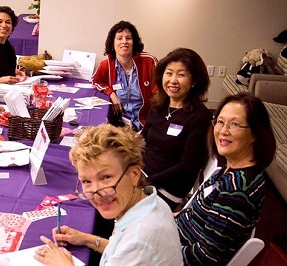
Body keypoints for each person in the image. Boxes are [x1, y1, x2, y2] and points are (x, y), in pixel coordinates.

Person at [34, 124, 182, 266]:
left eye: (106, 178)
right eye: (86, 181)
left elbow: (129, 249)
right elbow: (119, 251)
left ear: (134, 174)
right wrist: (86, 239)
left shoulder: (139, 239)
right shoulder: (151, 202)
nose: (97, 193)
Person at [176, 93, 276, 265]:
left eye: (235, 124)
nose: (223, 131)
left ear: (255, 134)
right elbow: (197, 215)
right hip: (174, 238)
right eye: (220, 121)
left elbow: (205, 258)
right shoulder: (233, 170)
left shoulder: (236, 191)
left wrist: (155, 247)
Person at [142, 48, 212, 210]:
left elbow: (187, 166)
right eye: (169, 73)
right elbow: (143, 140)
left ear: (194, 80)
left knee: (110, 201)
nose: (173, 80)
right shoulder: (159, 105)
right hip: (141, 173)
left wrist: (147, 180)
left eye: (181, 74)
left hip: (166, 188)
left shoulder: (200, 117)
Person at [92, 21, 157, 131]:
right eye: (119, 38)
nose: (124, 42)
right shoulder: (106, 64)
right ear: (112, 43)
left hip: (145, 122)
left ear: (134, 42)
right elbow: (95, 81)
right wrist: (111, 93)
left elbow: (159, 96)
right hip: (119, 122)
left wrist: (148, 128)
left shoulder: (149, 61)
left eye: (128, 38)